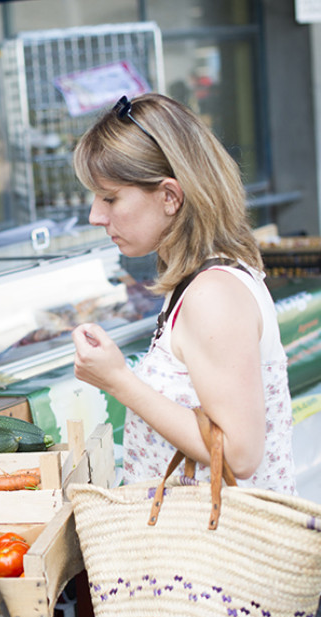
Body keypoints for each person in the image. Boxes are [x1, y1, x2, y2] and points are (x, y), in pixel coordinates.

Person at [71, 93, 294, 495]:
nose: (95, 216)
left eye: (109, 197)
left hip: (221, 551)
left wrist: (118, 380)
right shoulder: (202, 280)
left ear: (170, 196)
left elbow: (240, 455)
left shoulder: (213, 295)